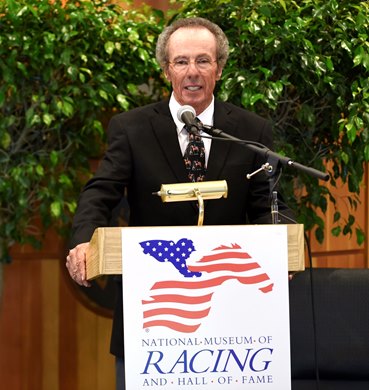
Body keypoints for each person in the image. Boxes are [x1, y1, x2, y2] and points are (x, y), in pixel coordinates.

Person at [66, 17, 294, 389]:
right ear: (166, 70)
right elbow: (100, 191)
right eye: (181, 61)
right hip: (152, 314)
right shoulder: (131, 128)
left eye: (203, 61)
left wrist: (282, 250)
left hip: (233, 323)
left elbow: (269, 203)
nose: (192, 72)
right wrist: (83, 240)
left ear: (219, 69)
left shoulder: (252, 131)